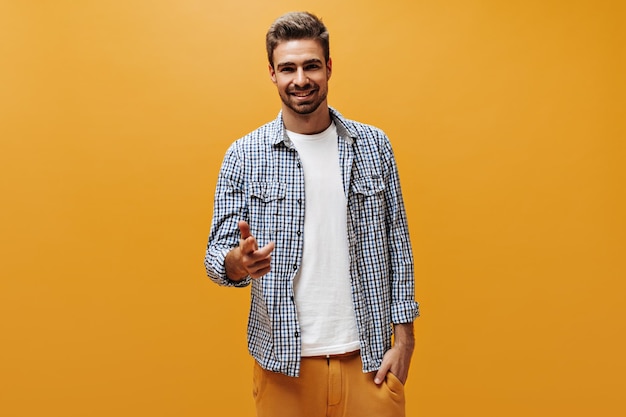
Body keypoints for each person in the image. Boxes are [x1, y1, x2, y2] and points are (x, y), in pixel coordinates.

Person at [204, 11, 419, 417]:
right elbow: (217, 257)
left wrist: (405, 339)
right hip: (285, 369)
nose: (300, 79)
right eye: (288, 68)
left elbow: (399, 244)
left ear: (329, 67)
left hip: (370, 361)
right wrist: (238, 262)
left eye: (311, 66)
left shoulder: (373, 146)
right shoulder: (244, 155)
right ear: (272, 73)